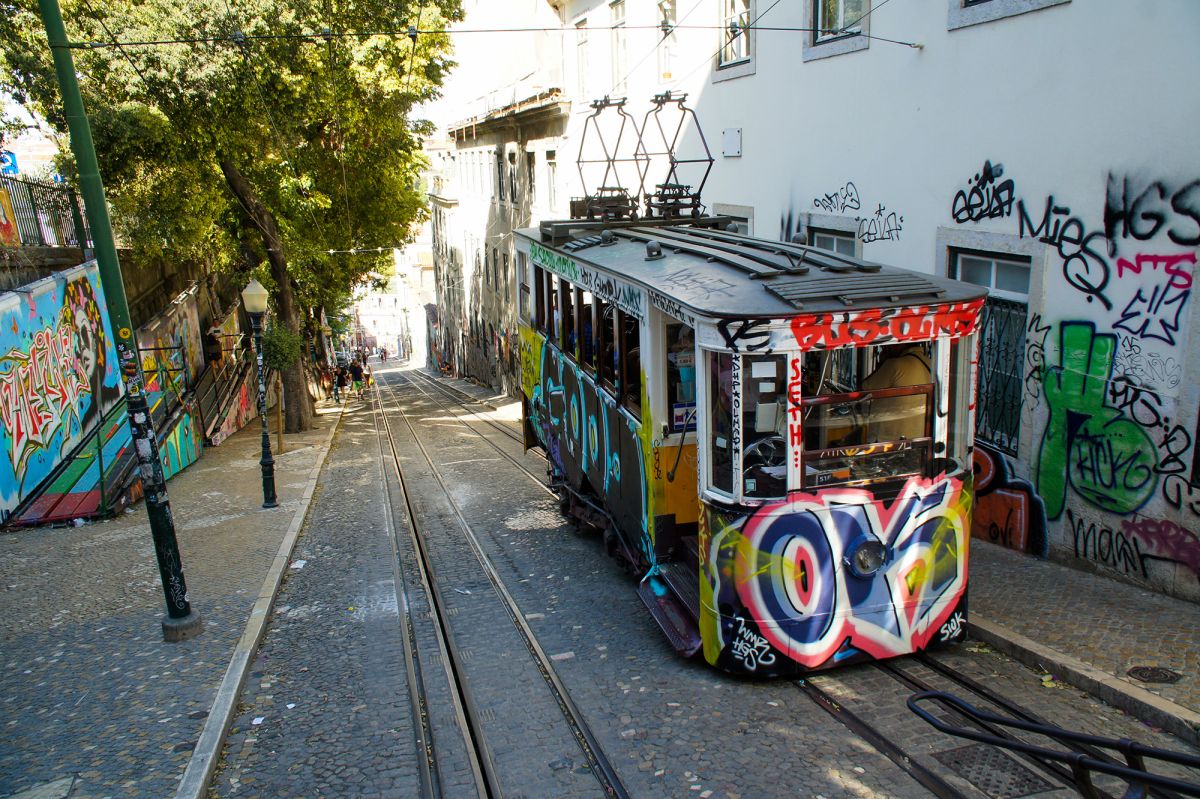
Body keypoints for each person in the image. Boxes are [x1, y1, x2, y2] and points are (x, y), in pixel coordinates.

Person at [860, 342, 932, 442]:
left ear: (899, 344)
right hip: (920, 436)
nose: (887, 348)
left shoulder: (893, 364)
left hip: (889, 438)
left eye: (890, 345)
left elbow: (866, 388)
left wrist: (882, 364)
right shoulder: (930, 363)